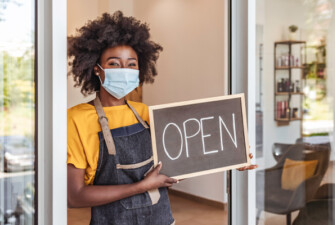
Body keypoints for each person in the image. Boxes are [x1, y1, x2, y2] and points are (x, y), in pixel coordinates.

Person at [67, 11, 256, 225]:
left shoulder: (146, 113)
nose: (124, 70)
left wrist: (230, 155)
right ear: (96, 69)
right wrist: (141, 187)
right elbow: (74, 196)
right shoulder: (76, 119)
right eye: (114, 63)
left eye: (131, 64)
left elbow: (169, 172)